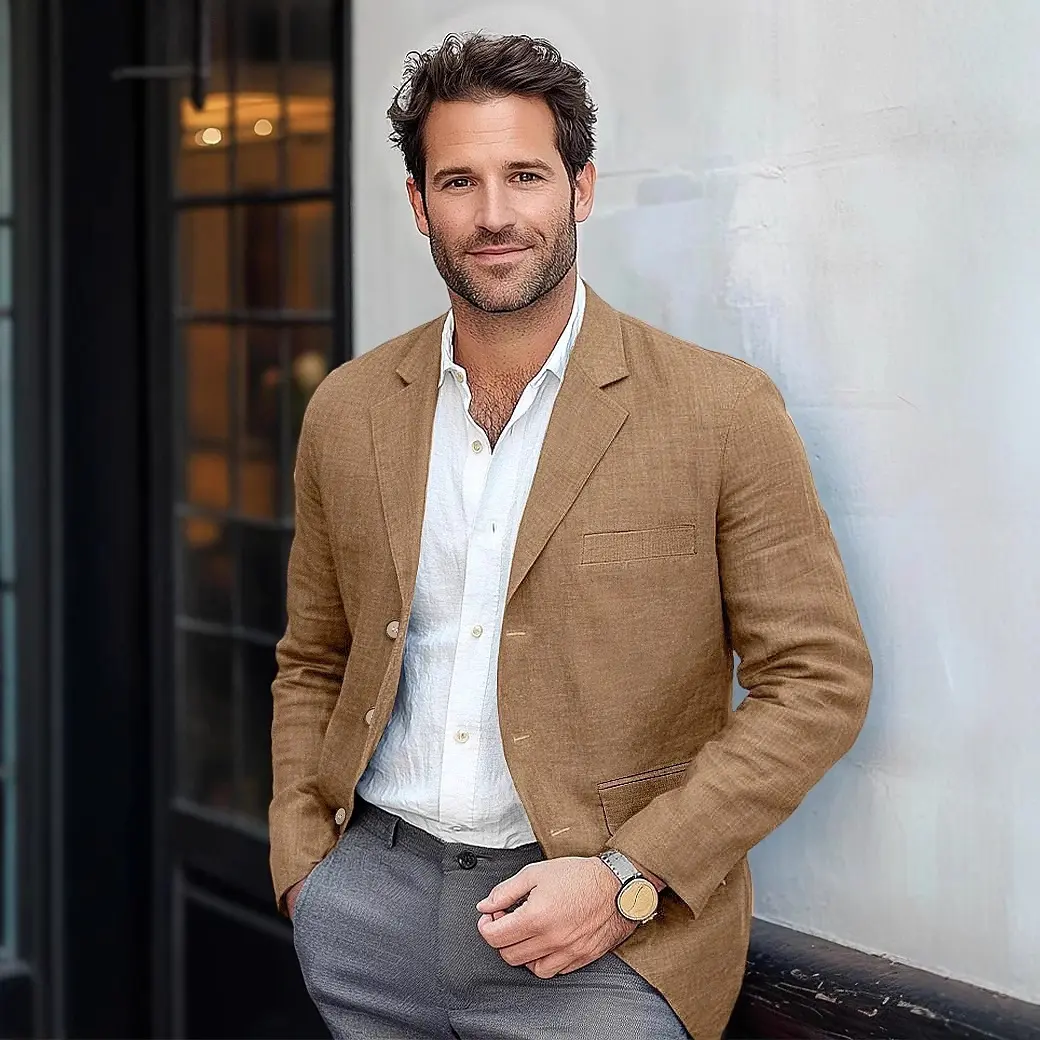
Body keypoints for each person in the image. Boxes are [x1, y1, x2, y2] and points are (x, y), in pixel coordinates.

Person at [270, 31, 872, 1040]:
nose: (493, 214)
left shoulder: (720, 410)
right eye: (458, 181)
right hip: (366, 920)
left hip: (606, 949)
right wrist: (304, 865)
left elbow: (818, 679)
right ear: (418, 204)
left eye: (525, 175)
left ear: (580, 188)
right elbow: (313, 657)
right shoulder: (349, 408)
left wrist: (630, 876)